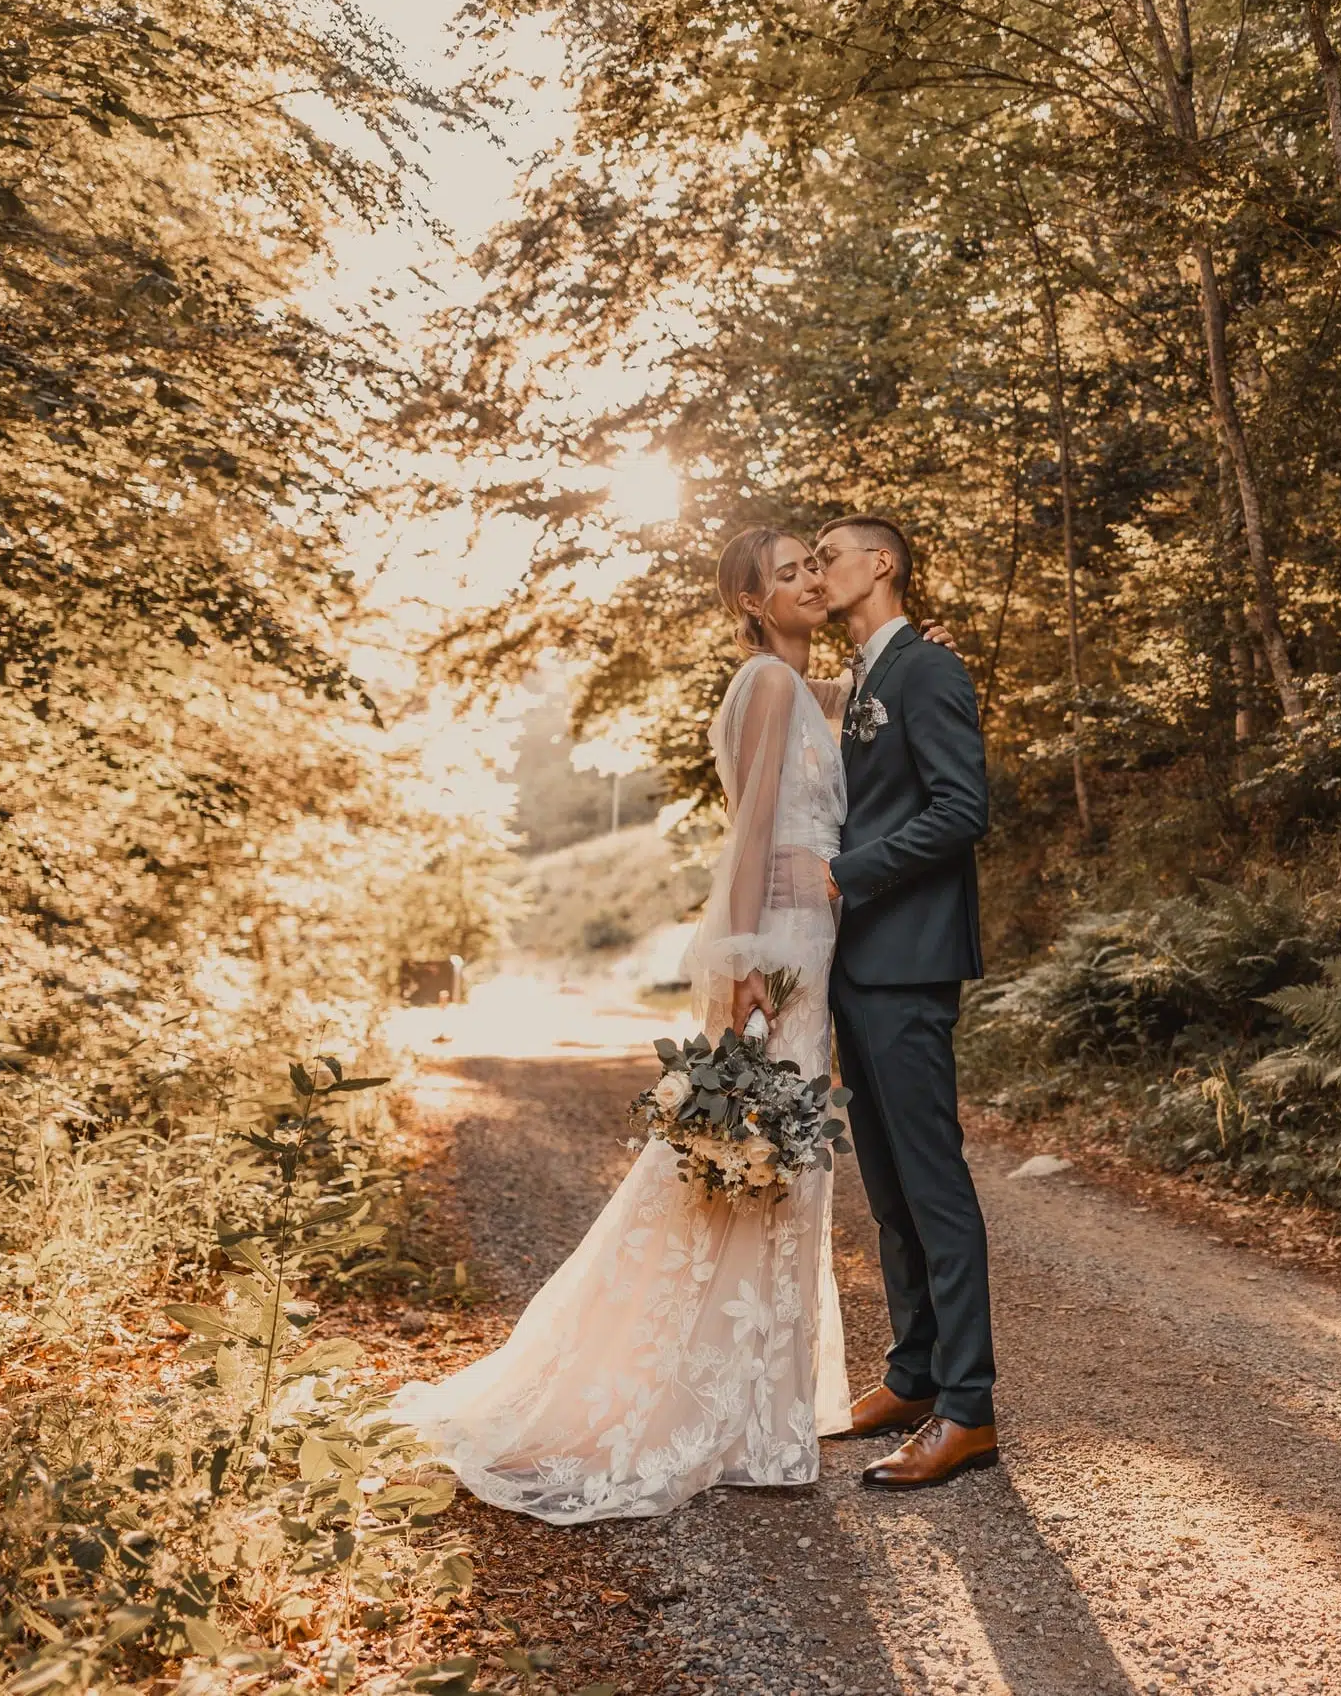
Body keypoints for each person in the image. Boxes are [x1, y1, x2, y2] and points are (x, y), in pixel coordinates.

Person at [392, 526, 867, 1522]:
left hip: (803, 935)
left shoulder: (783, 685)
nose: (808, 581)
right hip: (782, 944)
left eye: (811, 565)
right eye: (785, 575)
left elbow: (846, 716)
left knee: (764, 1163)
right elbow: (751, 832)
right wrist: (737, 966)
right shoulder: (771, 687)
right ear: (749, 601)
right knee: (761, 1158)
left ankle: (746, 1412)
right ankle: (730, 1418)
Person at [809, 513, 999, 1489]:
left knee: (931, 1185)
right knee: (886, 1189)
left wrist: (849, 873)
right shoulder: (859, 683)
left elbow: (962, 808)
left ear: (879, 564)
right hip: (858, 965)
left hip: (909, 961)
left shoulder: (926, 668)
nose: (816, 567)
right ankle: (915, 1373)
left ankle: (968, 1407)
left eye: (829, 553)